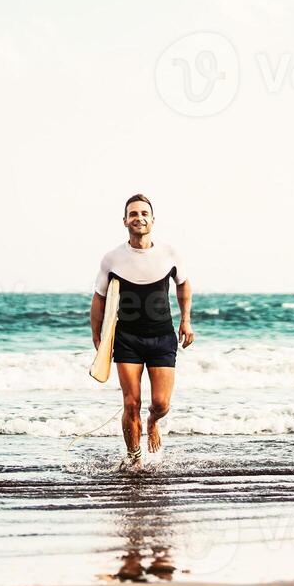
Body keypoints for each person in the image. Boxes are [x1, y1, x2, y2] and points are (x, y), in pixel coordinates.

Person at [91, 194, 194, 470]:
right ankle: (134, 457)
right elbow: (99, 298)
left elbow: (184, 285)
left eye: (144, 213)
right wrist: (98, 336)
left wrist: (186, 320)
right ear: (125, 220)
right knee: (130, 402)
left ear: (152, 220)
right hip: (128, 339)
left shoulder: (170, 254)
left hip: (163, 337)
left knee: (161, 403)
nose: (139, 218)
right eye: (133, 213)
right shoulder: (112, 259)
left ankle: (153, 422)